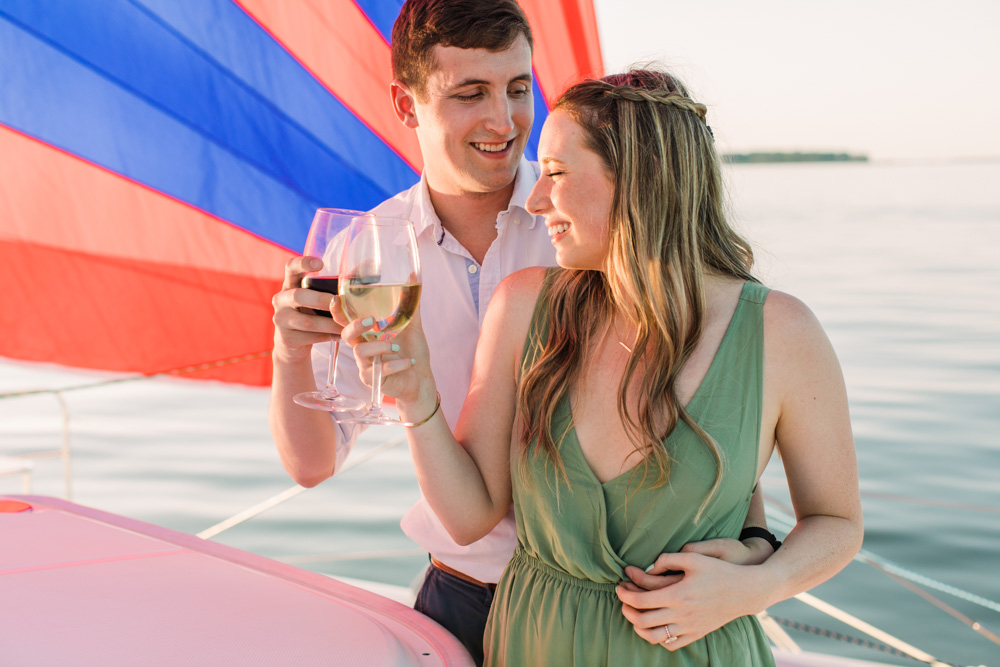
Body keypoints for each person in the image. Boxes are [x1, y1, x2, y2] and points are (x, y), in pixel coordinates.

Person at [269, 1, 775, 662]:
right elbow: (311, 464)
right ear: (406, 103)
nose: (503, 121)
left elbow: (702, 399)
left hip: (612, 601)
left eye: (517, 88)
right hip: (461, 594)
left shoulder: (589, 222)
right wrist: (290, 354)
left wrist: (758, 541)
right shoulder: (367, 259)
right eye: (470, 93)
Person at [344, 67, 864, 665]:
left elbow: (836, 521)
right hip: (531, 645)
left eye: (558, 174)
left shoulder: (782, 333)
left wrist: (753, 587)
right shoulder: (523, 306)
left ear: (640, 181)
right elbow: (466, 519)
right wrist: (417, 399)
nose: (535, 199)